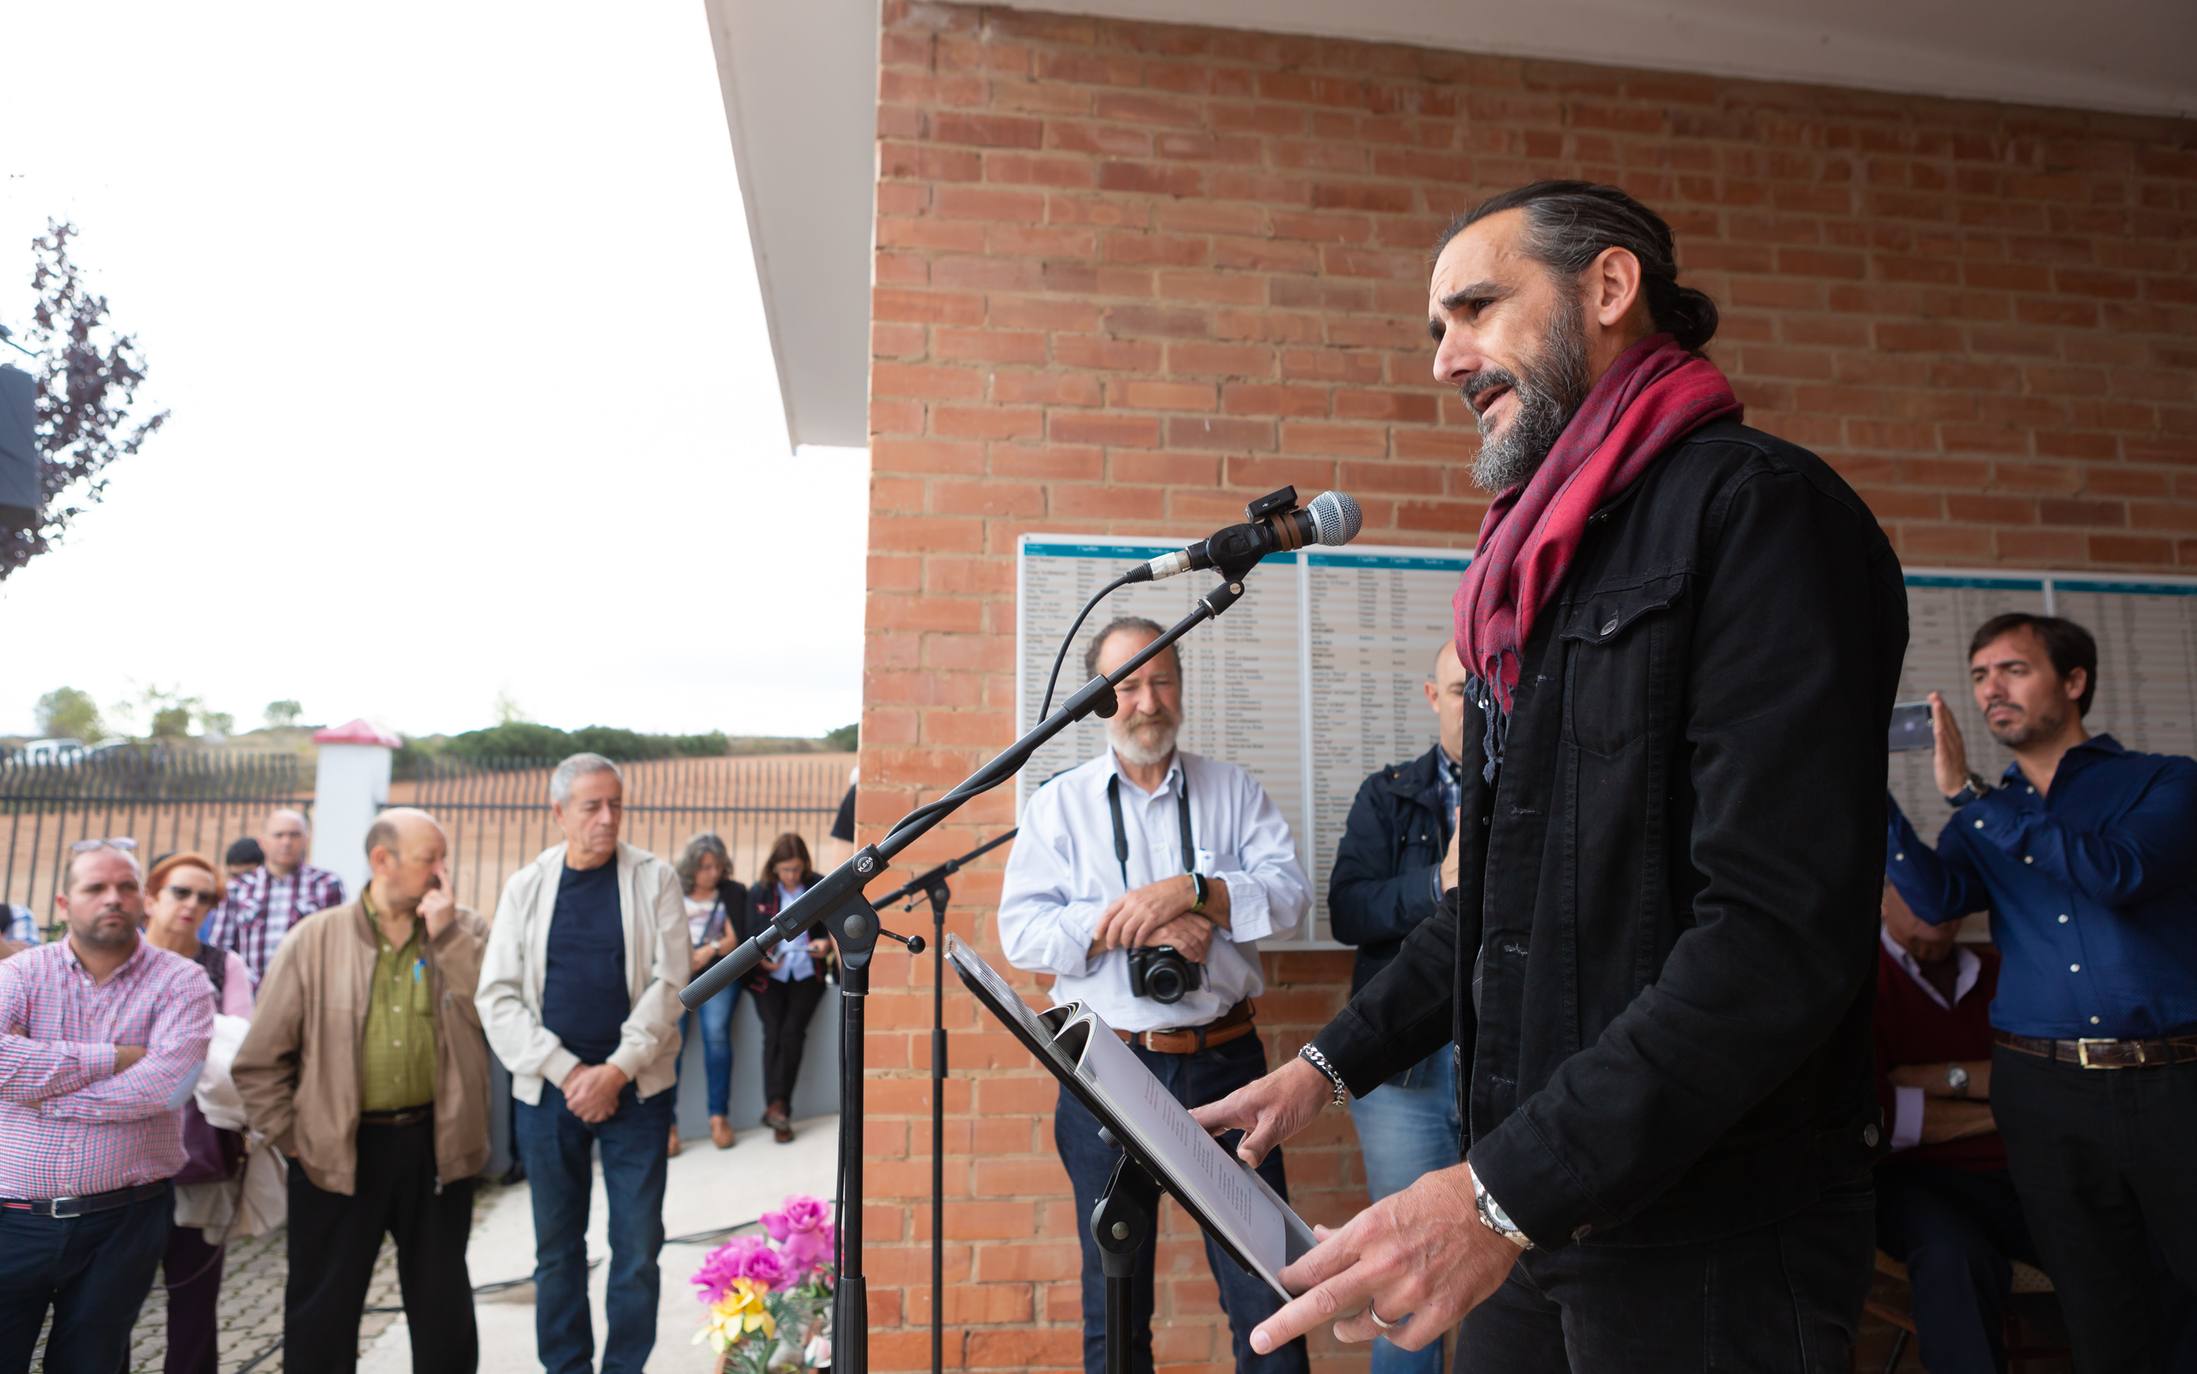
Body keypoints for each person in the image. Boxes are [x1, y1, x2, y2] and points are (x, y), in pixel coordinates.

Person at [1192, 180, 1908, 1373]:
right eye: (1434, 328)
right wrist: (1324, 1067)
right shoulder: (1547, 564)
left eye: (1474, 307)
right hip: (1543, 1205)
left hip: (1705, 1240)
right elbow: (1501, 905)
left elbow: (1777, 937)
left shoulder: (1762, 514)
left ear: (1610, 289)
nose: (1444, 360)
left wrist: (1491, 1198)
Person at [999, 615, 1316, 1374]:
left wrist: (1198, 894)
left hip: (1226, 1066)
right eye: (1128, 684)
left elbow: (1290, 897)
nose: (1147, 700)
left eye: (1161, 680)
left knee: (1269, 1292)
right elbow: (1021, 934)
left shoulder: (1233, 791)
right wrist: (1131, 925)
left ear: (1181, 688)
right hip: (1106, 1074)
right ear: (1100, 697)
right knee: (1115, 1299)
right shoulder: (1058, 805)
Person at [1886, 612, 2197, 1370]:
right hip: (2042, 1092)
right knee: (2095, 1303)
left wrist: (1968, 797)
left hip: (2173, 1082)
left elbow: (2114, 873)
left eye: (2012, 670)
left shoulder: (2166, 781)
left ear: (2074, 682)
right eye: (1979, 675)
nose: (1991, 689)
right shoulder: (1987, 819)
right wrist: (1870, 795)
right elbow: (1931, 904)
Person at [231, 808, 487, 1374]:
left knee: (442, 1306)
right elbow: (259, 1061)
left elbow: (494, 1016)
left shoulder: (464, 931)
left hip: (437, 1147)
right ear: (382, 861)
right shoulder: (314, 940)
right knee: (323, 1310)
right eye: (430, 859)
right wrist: (297, 1141)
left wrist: (447, 938)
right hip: (337, 1153)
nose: (443, 872)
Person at [477, 753, 687, 1374]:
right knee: (557, 1251)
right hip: (549, 1097)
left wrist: (616, 1070)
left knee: (638, 1247)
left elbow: (672, 982)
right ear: (559, 812)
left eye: (616, 804)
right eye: (592, 806)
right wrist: (570, 1073)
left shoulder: (656, 879)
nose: (607, 817)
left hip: (639, 1093)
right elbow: (498, 996)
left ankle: (625, 1367)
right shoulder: (526, 887)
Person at [0, 840, 215, 1374]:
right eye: (95, 887)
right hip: (12, 1220)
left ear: (144, 898)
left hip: (125, 1221)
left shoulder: (183, 982)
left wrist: (42, 1094)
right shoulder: (20, 974)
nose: (112, 898)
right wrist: (114, 1057)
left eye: (125, 887)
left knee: (92, 1364)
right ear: (63, 903)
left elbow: (166, 1088)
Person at [1326, 639, 1471, 1374]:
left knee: (1510, 1276)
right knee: (1404, 1276)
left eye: (1485, 691)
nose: (1471, 706)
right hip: (1404, 1079)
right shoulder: (1386, 795)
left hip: (1512, 1065)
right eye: (1456, 691)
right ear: (1429, 696)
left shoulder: (1543, 786)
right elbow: (1347, 910)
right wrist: (1434, 888)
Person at [1871, 880, 2040, 1374]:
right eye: (1919, 886)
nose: (1937, 901)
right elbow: (1884, 1117)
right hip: (1910, 1182)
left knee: (2118, 1238)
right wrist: (2007, 1099)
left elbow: (2052, 1088)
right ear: (1881, 901)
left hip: (2024, 1172)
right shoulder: (1861, 985)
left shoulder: (2005, 974)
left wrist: (1931, 1080)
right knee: (1955, 1260)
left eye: (1948, 887)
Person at [141, 851, 255, 1374]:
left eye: (205, 897)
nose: (192, 905)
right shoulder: (121, 959)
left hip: (199, 1154)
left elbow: (240, 1058)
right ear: (150, 896)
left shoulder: (224, 965)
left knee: (194, 1297)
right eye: (180, 892)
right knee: (108, 1306)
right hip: (122, 1159)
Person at [746, 832, 833, 1146]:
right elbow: (749, 936)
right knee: (773, 1032)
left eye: (796, 869)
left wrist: (825, 944)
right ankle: (778, 1107)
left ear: (805, 866)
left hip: (807, 974)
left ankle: (778, 1107)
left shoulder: (819, 886)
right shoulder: (760, 892)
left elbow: (833, 929)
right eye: (785, 870)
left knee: (792, 1033)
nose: (791, 875)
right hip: (769, 978)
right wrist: (764, 958)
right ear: (774, 868)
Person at [672, 831, 749, 1155]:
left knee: (716, 1035)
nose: (712, 873)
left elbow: (739, 939)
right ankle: (667, 1124)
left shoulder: (732, 893)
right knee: (668, 1043)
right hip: (677, 977)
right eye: (705, 867)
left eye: (717, 866)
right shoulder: (674, 892)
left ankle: (719, 1117)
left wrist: (709, 950)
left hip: (717, 977)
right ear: (691, 868)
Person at [205, 808, 345, 985]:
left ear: (305, 840)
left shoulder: (326, 885)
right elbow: (220, 949)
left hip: (308, 992)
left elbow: (337, 946)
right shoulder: (238, 889)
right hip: (251, 995)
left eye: (294, 835)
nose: (286, 842)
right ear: (263, 842)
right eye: (278, 835)